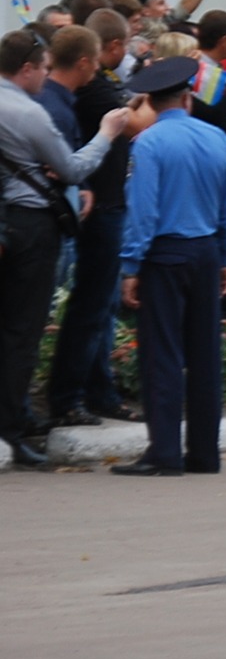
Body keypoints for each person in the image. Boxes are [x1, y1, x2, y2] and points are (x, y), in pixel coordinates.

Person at [112, 57, 226, 476]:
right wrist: (224, 256)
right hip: (206, 253)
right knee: (205, 354)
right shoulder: (219, 141)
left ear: (151, 102)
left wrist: (131, 267)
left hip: (164, 256)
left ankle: (165, 452)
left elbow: (143, 212)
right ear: (188, 97)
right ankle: (206, 454)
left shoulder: (148, 145)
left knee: (163, 352)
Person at [0, 30, 128, 466]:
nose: (46, 77)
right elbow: (73, 168)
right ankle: (12, 430)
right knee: (21, 331)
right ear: (29, 68)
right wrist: (107, 133)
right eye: (42, 68)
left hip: (8, 221)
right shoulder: (28, 112)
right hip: (30, 227)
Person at [46, 9, 140, 428]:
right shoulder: (97, 92)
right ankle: (68, 397)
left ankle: (98, 390)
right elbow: (137, 124)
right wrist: (165, 89)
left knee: (101, 306)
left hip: (104, 206)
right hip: (101, 210)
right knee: (91, 306)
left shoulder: (97, 89)